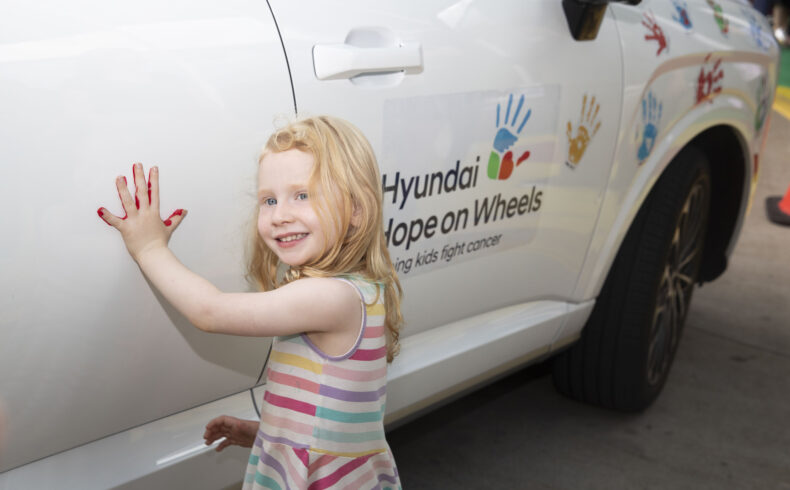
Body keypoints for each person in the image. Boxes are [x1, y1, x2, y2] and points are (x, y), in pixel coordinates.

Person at [97, 115, 403, 489]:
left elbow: (209, 312)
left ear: (357, 209)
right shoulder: (358, 291)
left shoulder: (332, 296)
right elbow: (334, 418)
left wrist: (149, 247)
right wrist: (267, 432)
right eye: (269, 200)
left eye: (302, 195)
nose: (280, 215)